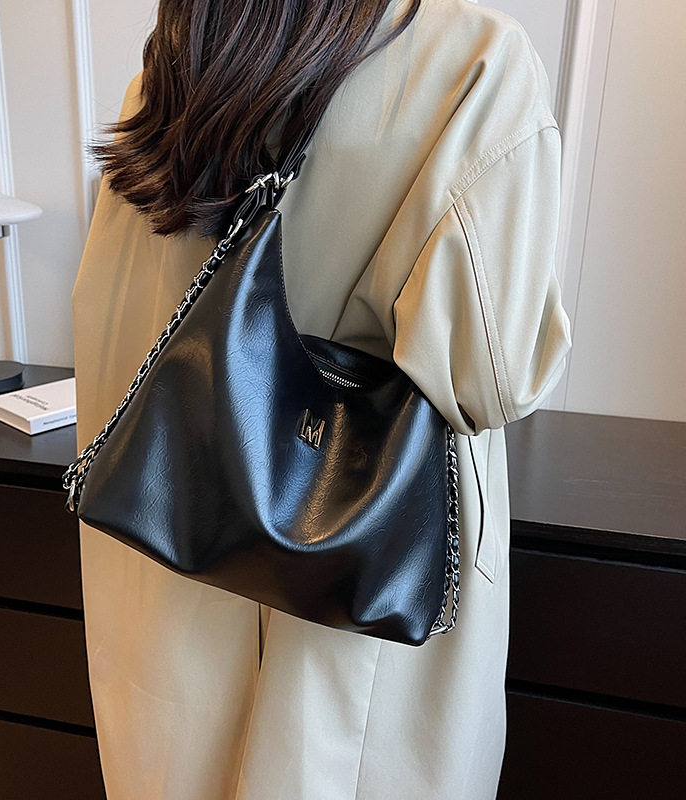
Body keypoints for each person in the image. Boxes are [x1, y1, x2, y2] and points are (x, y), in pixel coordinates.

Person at [71, 0, 572, 797]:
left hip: (168, 569)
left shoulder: (177, 61)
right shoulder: (477, 64)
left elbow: (111, 325)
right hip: (353, 610)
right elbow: (490, 380)